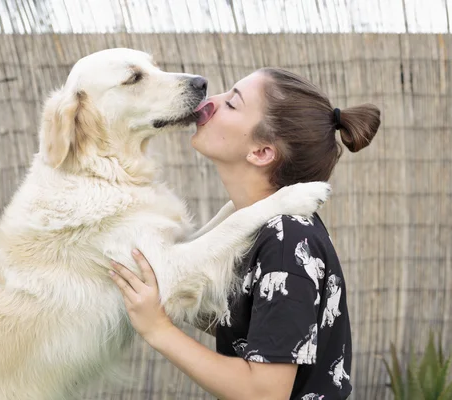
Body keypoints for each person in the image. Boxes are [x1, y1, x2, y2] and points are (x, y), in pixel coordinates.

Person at [109, 67, 380, 400]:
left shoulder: (287, 242)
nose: (213, 100)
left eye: (233, 103)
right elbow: (255, 327)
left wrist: (159, 329)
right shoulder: (262, 228)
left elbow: (264, 393)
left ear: (262, 152)